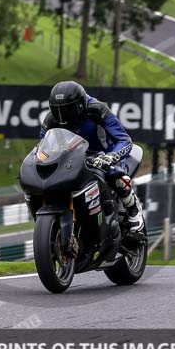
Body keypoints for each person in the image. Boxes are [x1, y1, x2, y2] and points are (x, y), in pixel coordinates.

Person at [39, 80, 145, 234]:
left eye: (68, 110)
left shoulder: (97, 110)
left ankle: (134, 209)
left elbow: (124, 139)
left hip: (104, 155)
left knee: (115, 175)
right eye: (58, 111)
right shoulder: (51, 119)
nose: (62, 116)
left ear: (80, 104)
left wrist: (111, 157)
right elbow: (42, 146)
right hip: (73, 158)